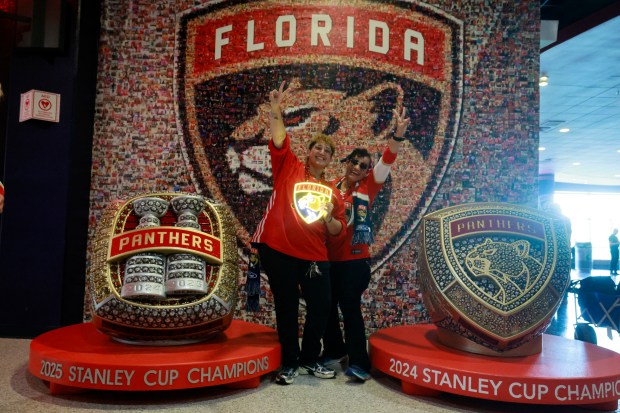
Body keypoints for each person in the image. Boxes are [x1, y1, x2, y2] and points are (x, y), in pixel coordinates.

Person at [251, 81, 346, 385]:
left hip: (314, 255)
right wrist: (276, 111)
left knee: (321, 306)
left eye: (327, 151)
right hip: (278, 250)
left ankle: (310, 358)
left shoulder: (333, 190)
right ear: (308, 153)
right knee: (286, 307)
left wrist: (330, 217)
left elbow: (336, 230)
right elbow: (279, 138)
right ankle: (290, 362)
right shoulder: (289, 165)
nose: (322, 152)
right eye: (317, 147)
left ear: (331, 160)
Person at [322, 108, 410, 382]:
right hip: (329, 260)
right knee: (326, 307)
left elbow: (387, 160)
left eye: (363, 165)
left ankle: (360, 361)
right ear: (346, 162)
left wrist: (397, 135)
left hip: (355, 261)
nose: (358, 168)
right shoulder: (329, 187)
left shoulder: (368, 188)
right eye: (354, 162)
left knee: (349, 307)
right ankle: (335, 350)